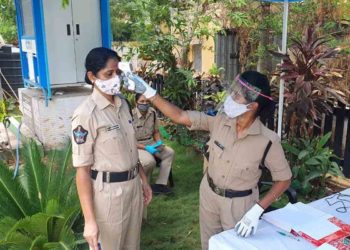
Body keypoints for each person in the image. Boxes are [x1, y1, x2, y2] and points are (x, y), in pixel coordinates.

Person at [123, 70, 292, 250]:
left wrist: (258, 209)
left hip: (239, 206)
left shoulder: (268, 140)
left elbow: (284, 179)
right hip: (209, 195)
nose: (229, 98)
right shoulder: (219, 120)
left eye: (236, 96)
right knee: (209, 245)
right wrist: (149, 92)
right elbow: (180, 116)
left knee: (235, 246)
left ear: (252, 106)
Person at [71, 47, 152, 250]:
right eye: (109, 73)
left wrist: (143, 180)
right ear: (92, 76)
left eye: (117, 72)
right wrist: (89, 221)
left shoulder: (123, 104)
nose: (115, 78)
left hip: (133, 188)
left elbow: (129, 148)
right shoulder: (86, 115)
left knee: (132, 245)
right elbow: (82, 171)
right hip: (108, 195)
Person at [132, 93, 174, 195]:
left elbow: (156, 131)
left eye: (147, 101)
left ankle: (160, 185)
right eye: (142, 101)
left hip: (151, 142)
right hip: (137, 145)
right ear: (136, 102)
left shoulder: (152, 112)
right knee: (149, 162)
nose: (145, 104)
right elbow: (129, 140)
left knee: (169, 153)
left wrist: (159, 142)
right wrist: (146, 148)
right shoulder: (130, 115)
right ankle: (142, 186)